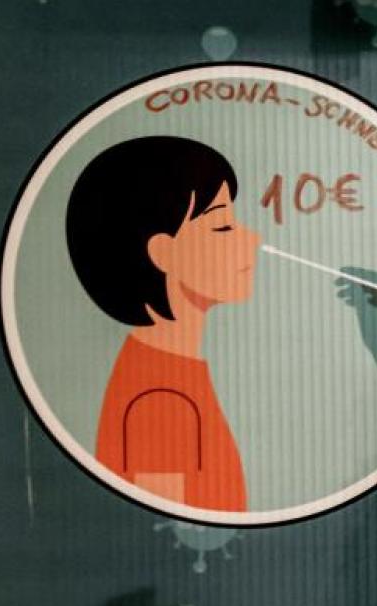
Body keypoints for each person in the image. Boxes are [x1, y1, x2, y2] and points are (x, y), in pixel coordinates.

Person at [67, 136, 261, 512]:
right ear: (162, 253)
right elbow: (164, 537)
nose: (253, 238)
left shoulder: (168, 373)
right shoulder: (161, 400)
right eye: (222, 226)